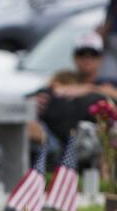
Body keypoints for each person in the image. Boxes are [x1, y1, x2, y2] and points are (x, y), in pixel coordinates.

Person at [27, 31, 117, 164]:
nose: (87, 59)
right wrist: (31, 104)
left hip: (97, 147)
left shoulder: (107, 85)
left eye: (93, 55)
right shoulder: (62, 80)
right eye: (82, 54)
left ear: (100, 58)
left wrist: (90, 89)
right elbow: (26, 101)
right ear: (75, 57)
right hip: (57, 145)